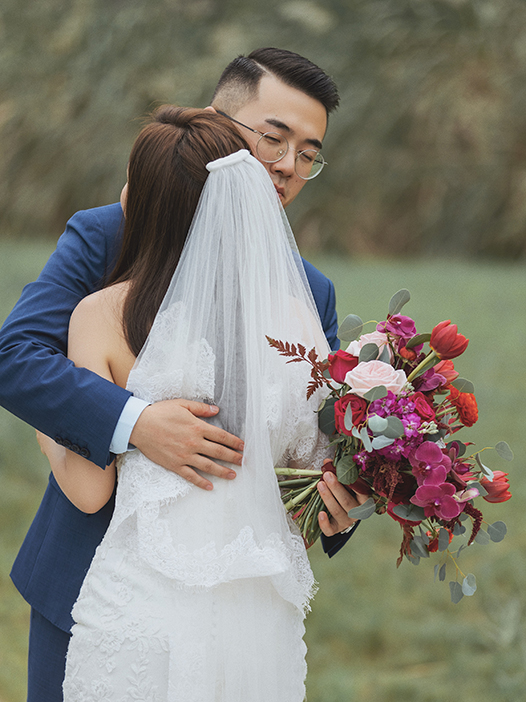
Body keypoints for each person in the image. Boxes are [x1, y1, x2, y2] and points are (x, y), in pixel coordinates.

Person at [0, 48, 361, 700]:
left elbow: (315, 441)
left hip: (239, 611)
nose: (288, 165)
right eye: (273, 138)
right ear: (215, 122)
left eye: (308, 154)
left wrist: (345, 498)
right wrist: (135, 423)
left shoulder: (308, 293)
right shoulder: (109, 233)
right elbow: (16, 356)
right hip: (89, 585)